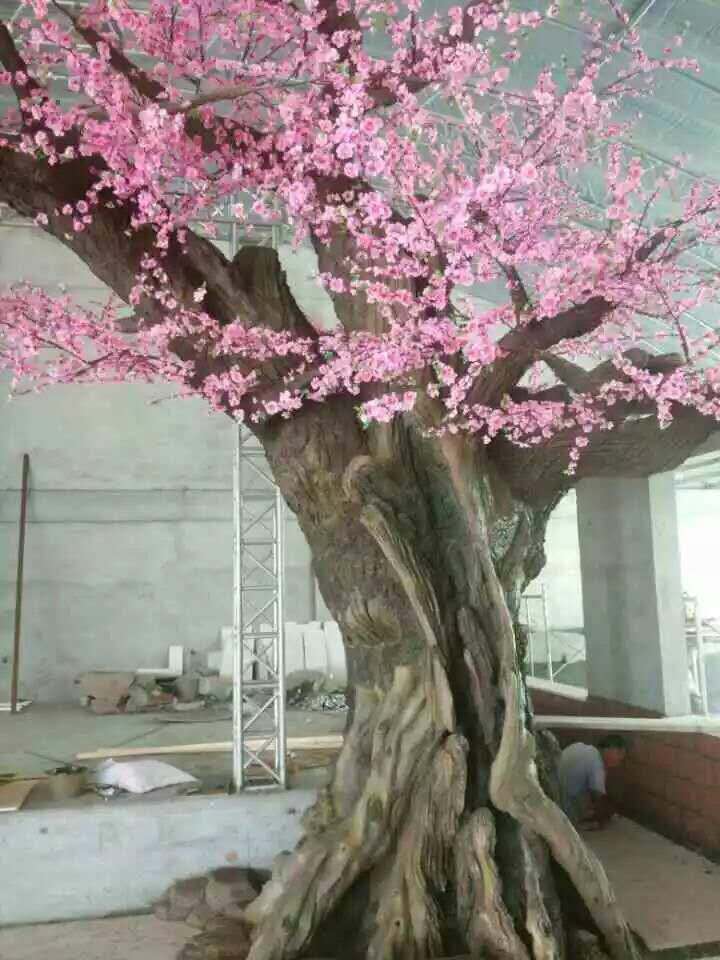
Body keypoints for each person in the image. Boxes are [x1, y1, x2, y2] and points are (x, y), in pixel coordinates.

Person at [558, 734, 627, 829]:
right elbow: (599, 797)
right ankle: (579, 823)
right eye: (619, 754)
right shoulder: (597, 763)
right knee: (604, 808)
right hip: (566, 809)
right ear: (609, 749)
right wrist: (610, 812)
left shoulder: (579, 746)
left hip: (554, 799)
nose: (619, 761)